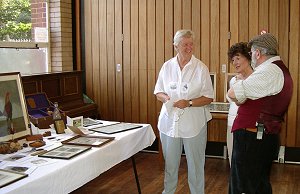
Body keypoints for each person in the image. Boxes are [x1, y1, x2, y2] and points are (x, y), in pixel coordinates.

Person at [227, 33, 293, 194]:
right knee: (256, 184)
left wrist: (238, 88)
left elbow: (234, 94)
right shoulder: (277, 69)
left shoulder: (269, 71)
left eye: (250, 53)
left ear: (257, 53)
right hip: (261, 135)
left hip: (254, 137)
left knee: (244, 185)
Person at [154, 29, 214, 194]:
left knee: (195, 165)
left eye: (191, 44)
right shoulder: (167, 66)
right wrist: (166, 99)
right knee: (170, 164)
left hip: (194, 125)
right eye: (185, 44)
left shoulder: (200, 67)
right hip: (169, 124)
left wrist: (189, 102)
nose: (189, 47)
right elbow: (158, 91)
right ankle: (168, 191)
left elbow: (209, 97)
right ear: (176, 46)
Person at [226, 42, 253, 166]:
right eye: (232, 60)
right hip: (232, 122)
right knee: (233, 160)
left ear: (247, 57)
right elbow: (232, 99)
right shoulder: (234, 80)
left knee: (249, 164)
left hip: (250, 125)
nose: (235, 62)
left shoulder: (256, 78)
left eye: (238, 58)